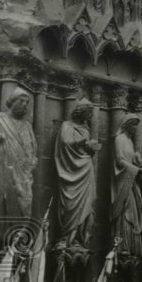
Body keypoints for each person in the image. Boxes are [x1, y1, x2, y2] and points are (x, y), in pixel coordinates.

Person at [0, 87, 37, 235]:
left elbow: (33, 148)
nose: (25, 105)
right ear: (12, 102)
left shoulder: (27, 125)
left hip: (24, 176)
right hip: (3, 173)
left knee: (24, 206)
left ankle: (18, 241)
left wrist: (33, 162)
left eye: (27, 102)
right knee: (2, 209)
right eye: (21, 101)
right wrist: (0, 137)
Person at [55, 98, 101, 246]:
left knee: (89, 201)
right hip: (70, 170)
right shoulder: (67, 126)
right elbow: (65, 143)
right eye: (89, 113)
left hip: (86, 168)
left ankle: (82, 238)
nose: (91, 116)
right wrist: (83, 142)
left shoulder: (86, 129)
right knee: (70, 203)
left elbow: (86, 150)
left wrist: (91, 148)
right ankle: (68, 237)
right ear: (81, 112)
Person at [112, 114, 142, 260]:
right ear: (127, 125)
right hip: (124, 181)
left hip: (131, 180)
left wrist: (140, 162)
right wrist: (136, 169)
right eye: (133, 125)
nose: (135, 128)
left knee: (134, 211)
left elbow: (130, 159)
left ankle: (132, 246)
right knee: (125, 211)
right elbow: (120, 160)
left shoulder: (130, 141)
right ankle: (123, 246)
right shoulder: (119, 139)